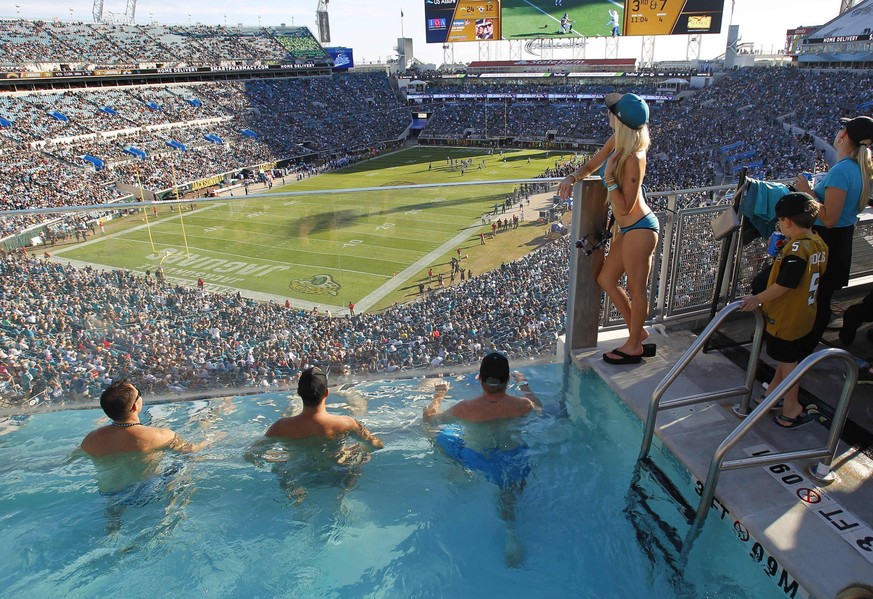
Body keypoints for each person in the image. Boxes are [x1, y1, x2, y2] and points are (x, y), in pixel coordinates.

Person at [557, 92, 657, 365]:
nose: (607, 114)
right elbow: (592, 164)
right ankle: (639, 332)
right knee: (605, 280)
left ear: (619, 120)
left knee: (637, 289)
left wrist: (611, 179)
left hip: (638, 227)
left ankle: (634, 345)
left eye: (611, 111)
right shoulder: (618, 142)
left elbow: (625, 207)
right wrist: (573, 176)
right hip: (627, 229)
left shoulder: (635, 157)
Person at [740, 193, 828, 429]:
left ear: (787, 221)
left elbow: (785, 284)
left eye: (779, 221)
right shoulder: (818, 242)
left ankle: (790, 410)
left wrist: (756, 298)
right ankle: (770, 396)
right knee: (788, 360)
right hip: (805, 314)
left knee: (789, 364)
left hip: (786, 319)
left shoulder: (797, 249)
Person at [793, 115, 873, 345]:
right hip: (841, 240)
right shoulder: (860, 168)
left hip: (827, 241)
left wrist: (807, 192)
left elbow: (829, 218)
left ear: (845, 135)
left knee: (817, 299)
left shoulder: (843, 170)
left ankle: (803, 348)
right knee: (821, 297)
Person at [81, 380, 214, 457]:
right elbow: (191, 452)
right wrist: (211, 438)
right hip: (148, 491)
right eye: (139, 393)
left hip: (109, 494)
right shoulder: (161, 435)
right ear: (134, 407)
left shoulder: (91, 439)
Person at [265, 366, 383, 447]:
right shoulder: (346, 423)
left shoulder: (280, 427)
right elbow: (376, 445)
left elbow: (250, 455)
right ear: (326, 393)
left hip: (299, 472)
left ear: (299, 393)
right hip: (336, 474)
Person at [423, 352, 541, 422]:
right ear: (508, 380)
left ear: (479, 379)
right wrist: (524, 386)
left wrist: (439, 395)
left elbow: (429, 420)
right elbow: (541, 411)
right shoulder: (524, 404)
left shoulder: (464, 408)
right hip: (515, 456)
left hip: (477, 458)